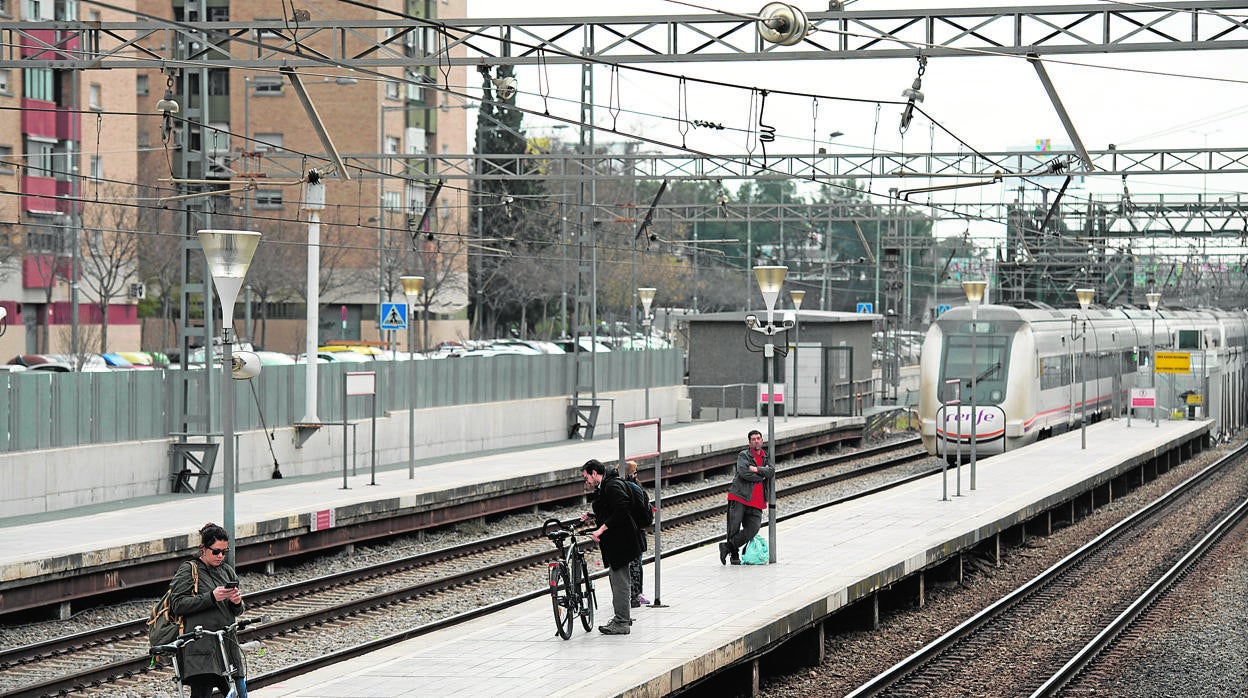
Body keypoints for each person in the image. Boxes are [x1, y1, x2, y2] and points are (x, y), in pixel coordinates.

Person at [170, 523, 246, 698]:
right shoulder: (189, 570)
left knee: (240, 693)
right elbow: (178, 605)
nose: (220, 556)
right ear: (203, 548)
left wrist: (236, 602)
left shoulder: (227, 571)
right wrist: (211, 597)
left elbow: (237, 610)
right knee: (202, 693)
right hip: (201, 649)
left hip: (227, 645)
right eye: (216, 551)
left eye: (224, 552)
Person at [581, 458, 642, 635]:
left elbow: (622, 510)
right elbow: (611, 510)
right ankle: (621, 618)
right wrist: (593, 516)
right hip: (618, 541)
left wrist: (600, 530)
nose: (587, 482)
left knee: (620, 581)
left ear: (594, 473)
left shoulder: (611, 485)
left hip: (622, 542)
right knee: (617, 579)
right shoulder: (606, 485)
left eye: (587, 477)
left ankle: (622, 622)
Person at [720, 429, 774, 565]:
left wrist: (757, 469)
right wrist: (762, 475)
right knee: (734, 526)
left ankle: (727, 547)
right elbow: (743, 472)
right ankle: (734, 555)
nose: (756, 441)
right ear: (749, 442)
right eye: (753, 439)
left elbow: (771, 471)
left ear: (762, 440)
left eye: (758, 438)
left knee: (754, 528)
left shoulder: (766, 457)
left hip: (757, 500)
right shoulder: (743, 455)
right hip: (740, 496)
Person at [622, 460, 649, 607]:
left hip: (631, 531)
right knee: (637, 563)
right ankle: (636, 594)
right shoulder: (635, 487)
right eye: (635, 472)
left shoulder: (623, 487)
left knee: (630, 565)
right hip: (636, 531)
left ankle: (631, 594)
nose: (636, 475)